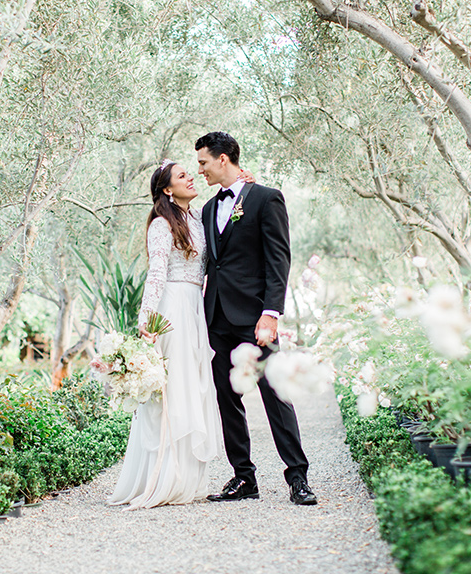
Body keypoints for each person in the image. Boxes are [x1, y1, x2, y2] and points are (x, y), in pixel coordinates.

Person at [195, 131, 317, 506]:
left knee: (275, 394)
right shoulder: (206, 209)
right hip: (216, 317)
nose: (199, 170)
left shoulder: (266, 199)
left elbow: (279, 259)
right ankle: (243, 478)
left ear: (223, 159)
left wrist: (270, 313)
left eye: (203, 162)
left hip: (254, 318)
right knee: (227, 398)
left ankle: (297, 477)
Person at [108, 160, 230, 509]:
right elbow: (156, 272)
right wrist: (147, 318)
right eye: (182, 176)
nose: (191, 178)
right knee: (173, 390)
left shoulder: (197, 218)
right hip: (173, 306)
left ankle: (189, 479)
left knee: (193, 385)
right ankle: (164, 476)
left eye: (191, 174)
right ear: (166, 189)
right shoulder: (162, 225)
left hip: (196, 307)